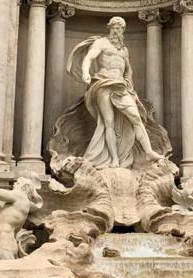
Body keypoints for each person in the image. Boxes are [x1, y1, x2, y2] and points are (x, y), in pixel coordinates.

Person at [69, 16, 163, 169]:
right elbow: (88, 58)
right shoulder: (101, 43)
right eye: (113, 27)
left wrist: (128, 82)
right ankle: (114, 160)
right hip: (103, 83)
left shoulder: (124, 50)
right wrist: (85, 73)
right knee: (109, 123)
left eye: (118, 27)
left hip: (121, 87)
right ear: (109, 28)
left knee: (136, 118)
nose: (115, 30)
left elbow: (128, 70)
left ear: (123, 30)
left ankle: (148, 151)